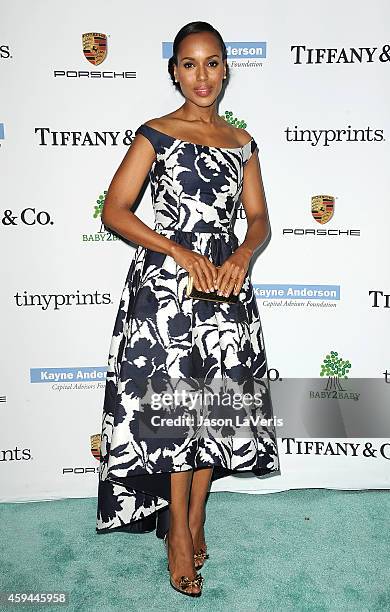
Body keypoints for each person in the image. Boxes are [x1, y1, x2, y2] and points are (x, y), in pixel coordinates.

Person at [96, 20, 280, 597]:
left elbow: (258, 219)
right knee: (177, 414)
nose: (202, 76)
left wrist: (245, 255)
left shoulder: (241, 143)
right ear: (174, 70)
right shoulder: (156, 133)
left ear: (227, 68)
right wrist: (177, 249)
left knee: (213, 413)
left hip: (227, 289)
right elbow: (117, 211)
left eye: (213, 63)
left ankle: (197, 517)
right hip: (167, 291)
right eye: (189, 64)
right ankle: (176, 533)